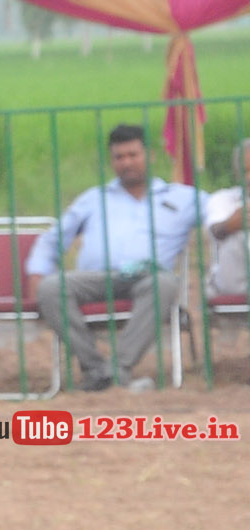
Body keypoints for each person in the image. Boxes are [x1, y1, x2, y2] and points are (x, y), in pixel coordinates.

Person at [28, 124, 200, 392]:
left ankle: (117, 369)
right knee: (51, 287)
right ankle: (96, 368)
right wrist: (37, 271)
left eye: (133, 155)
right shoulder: (93, 198)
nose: (126, 162)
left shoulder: (182, 197)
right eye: (119, 157)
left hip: (148, 278)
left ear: (150, 155)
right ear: (112, 161)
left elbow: (221, 216)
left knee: (165, 284)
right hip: (96, 279)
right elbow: (53, 239)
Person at [204, 137, 250, 302]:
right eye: (245, 171)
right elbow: (216, 231)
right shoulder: (223, 199)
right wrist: (231, 224)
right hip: (234, 282)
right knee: (238, 237)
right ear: (237, 174)